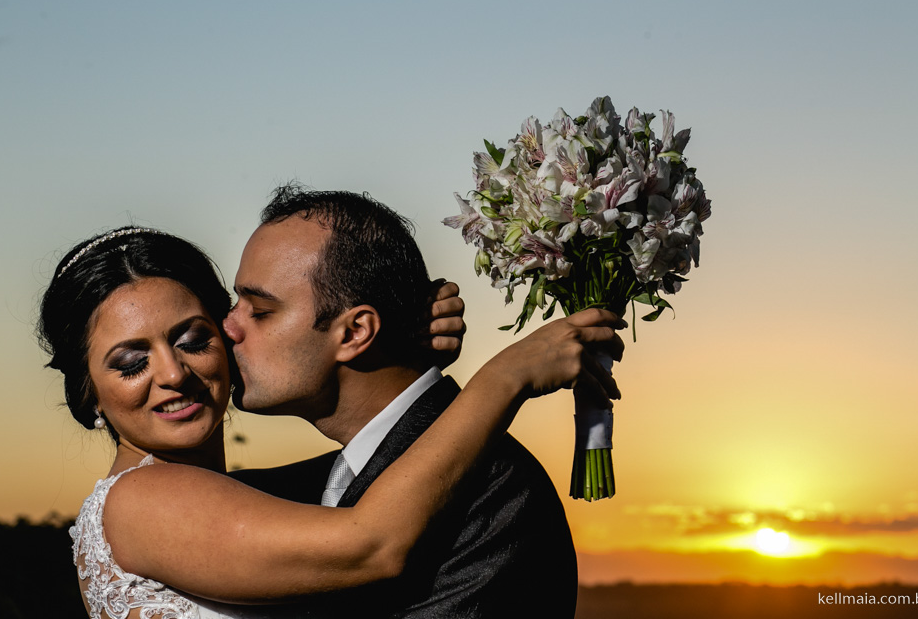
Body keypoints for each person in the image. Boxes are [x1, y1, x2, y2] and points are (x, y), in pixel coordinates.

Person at [37, 226, 624, 619]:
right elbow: (372, 542)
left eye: (192, 339)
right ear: (87, 394)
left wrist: (395, 340)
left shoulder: (241, 497)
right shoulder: (147, 500)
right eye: (131, 363)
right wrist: (504, 378)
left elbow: (375, 461)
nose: (173, 373)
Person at [226, 187, 594, 617]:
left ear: (355, 332)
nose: (227, 327)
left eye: (260, 310)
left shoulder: (494, 495)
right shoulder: (276, 493)